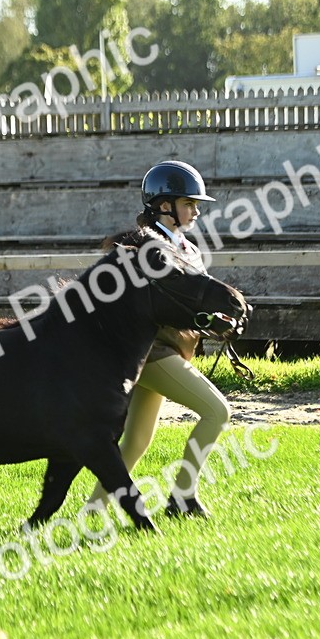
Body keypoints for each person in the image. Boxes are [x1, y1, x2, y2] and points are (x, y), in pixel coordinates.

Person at [86, 160, 232, 519]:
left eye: (196, 204)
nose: (196, 211)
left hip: (172, 350)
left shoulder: (187, 248)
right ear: (163, 206)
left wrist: (213, 320)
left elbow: (184, 305)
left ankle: (93, 512)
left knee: (136, 441)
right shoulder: (145, 250)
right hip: (153, 353)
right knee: (217, 412)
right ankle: (182, 498)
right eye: (189, 203)